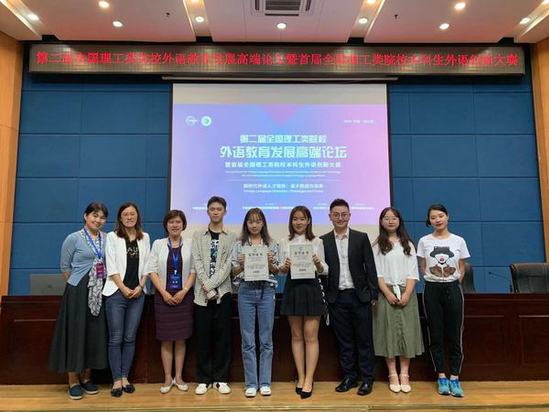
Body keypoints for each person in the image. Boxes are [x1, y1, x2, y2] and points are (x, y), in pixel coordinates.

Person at [48, 202, 109, 400]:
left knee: (93, 333)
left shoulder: (107, 238)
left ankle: (86, 377)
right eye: (94, 215)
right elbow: (65, 267)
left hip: (99, 291)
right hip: (78, 292)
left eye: (102, 217)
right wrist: (78, 286)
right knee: (75, 333)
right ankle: (73, 380)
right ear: (85, 216)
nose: (98, 220)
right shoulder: (73, 238)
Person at [320, 198, 378, 396]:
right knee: (344, 342)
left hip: (360, 297)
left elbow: (370, 266)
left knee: (364, 340)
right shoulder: (323, 241)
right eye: (336, 215)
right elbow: (322, 271)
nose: (340, 218)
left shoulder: (361, 238)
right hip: (336, 298)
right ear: (330, 216)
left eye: (344, 214)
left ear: (350, 216)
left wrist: (373, 294)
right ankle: (350, 377)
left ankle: (367, 379)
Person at [417, 203, 470, 398]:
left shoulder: (459, 240)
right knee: (436, 334)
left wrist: (452, 282)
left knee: (455, 334)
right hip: (432, 289)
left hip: (453, 288)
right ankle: (441, 376)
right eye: (433, 217)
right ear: (429, 221)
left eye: (440, 216)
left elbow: (462, 267)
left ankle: (455, 377)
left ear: (447, 217)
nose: (437, 220)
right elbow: (422, 265)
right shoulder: (424, 241)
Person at [372, 207, 423, 394]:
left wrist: (407, 294)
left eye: (394, 218)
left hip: (406, 292)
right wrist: (387, 293)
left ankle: (405, 374)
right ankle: (392, 373)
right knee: (388, 334)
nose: (390, 221)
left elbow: (412, 272)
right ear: (381, 221)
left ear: (399, 220)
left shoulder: (407, 244)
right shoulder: (377, 245)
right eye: (386, 218)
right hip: (385, 293)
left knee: (407, 333)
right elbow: (377, 273)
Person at [279, 205, 328, 399]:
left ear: (308, 221)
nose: (298, 222)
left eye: (302, 219)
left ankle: (309, 378)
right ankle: (300, 376)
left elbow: (325, 270)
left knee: (311, 336)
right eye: (295, 219)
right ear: (291, 221)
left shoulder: (317, 241)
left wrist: (318, 263)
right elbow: (281, 270)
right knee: (297, 335)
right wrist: (284, 266)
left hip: (311, 288)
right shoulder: (284, 241)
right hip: (293, 288)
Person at [103, 202, 150, 397]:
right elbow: (111, 265)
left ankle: (124, 377)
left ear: (137, 216)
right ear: (120, 218)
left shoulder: (145, 237)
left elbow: (148, 265)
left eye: (133, 214)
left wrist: (140, 286)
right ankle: (116, 380)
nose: (130, 217)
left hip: (138, 295)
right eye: (125, 214)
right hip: (116, 293)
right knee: (116, 338)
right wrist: (123, 288)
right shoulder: (112, 237)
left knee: (130, 337)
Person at [231, 208, 279, 397]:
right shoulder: (239, 244)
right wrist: (242, 265)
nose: (254, 225)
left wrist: (270, 263)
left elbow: (277, 271)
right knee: (248, 339)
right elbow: (233, 271)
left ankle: (265, 382)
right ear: (246, 224)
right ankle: (251, 383)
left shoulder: (271, 244)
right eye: (251, 221)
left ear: (263, 223)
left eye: (258, 221)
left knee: (266, 339)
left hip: (266, 291)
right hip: (246, 291)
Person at [192, 196, 237, 395]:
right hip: (201, 295)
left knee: (222, 337)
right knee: (203, 337)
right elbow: (197, 262)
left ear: (225, 211)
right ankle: (204, 379)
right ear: (207, 211)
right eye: (212, 209)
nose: (216, 212)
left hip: (223, 293)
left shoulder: (232, 237)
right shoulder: (198, 235)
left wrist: (212, 285)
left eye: (219, 209)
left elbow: (228, 266)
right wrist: (206, 287)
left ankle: (220, 378)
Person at [147, 210, 195, 394]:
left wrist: (184, 291)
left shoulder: (190, 244)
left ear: (183, 225)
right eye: (171, 222)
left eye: (178, 222)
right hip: (163, 296)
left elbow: (194, 270)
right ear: (166, 225)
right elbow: (152, 270)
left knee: (181, 338)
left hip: (184, 295)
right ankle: (168, 377)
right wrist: (163, 293)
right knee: (166, 339)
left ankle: (179, 377)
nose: (175, 225)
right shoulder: (158, 244)